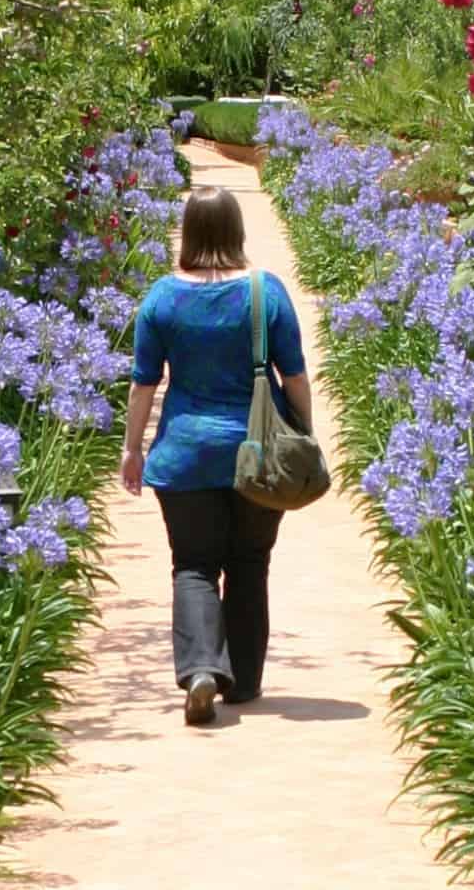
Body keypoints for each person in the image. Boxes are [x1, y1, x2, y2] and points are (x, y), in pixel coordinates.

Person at [120, 185, 315, 725]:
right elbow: (293, 374)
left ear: (188, 231)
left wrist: (132, 449)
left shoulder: (161, 298)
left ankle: (202, 668)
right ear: (236, 231)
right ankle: (245, 682)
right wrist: (305, 432)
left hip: (184, 457)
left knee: (194, 565)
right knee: (250, 563)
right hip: (257, 453)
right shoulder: (264, 292)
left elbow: (143, 385)